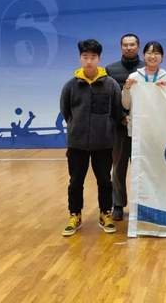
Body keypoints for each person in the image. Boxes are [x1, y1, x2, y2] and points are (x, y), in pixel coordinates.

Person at [60, 39, 122, 237]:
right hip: (77, 144)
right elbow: (66, 112)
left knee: (104, 181)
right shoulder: (70, 86)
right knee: (75, 181)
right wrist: (76, 128)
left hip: (103, 143)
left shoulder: (111, 84)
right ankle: (75, 215)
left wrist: (106, 128)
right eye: (85, 57)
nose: (89, 61)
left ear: (99, 59)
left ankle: (105, 213)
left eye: (93, 57)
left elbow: (117, 112)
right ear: (80, 58)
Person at [105, 33, 144, 221]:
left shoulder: (146, 69)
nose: (129, 47)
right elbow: (108, 98)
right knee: (118, 167)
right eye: (125, 45)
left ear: (138, 46)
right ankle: (118, 204)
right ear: (121, 47)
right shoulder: (110, 69)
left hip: (142, 128)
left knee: (143, 167)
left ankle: (143, 204)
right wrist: (121, 117)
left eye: (132, 44)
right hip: (119, 128)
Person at [122, 41, 166, 136]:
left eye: (156, 53)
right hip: (139, 128)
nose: (153, 56)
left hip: (160, 128)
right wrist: (127, 88)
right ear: (143, 56)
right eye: (149, 53)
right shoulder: (134, 77)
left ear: (162, 57)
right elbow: (126, 105)